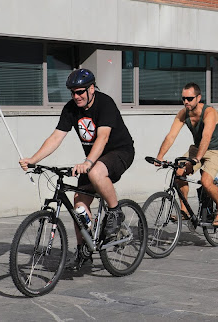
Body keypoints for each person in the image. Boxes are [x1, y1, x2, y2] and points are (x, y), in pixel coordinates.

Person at [19, 68, 135, 269]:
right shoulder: (71, 108)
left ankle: (115, 211)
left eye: (80, 91)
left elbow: (103, 137)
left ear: (91, 89)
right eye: (72, 92)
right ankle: (84, 249)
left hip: (120, 152)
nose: (76, 96)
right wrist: (34, 159)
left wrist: (88, 163)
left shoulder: (105, 103)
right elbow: (56, 137)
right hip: (93, 159)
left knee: (96, 171)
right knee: (79, 204)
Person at [156, 82, 218, 226]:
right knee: (178, 172)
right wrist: (160, 157)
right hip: (197, 148)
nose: (186, 102)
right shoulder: (183, 113)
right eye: (183, 99)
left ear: (198, 98)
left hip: (216, 149)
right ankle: (185, 211)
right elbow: (171, 136)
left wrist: (197, 159)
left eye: (189, 98)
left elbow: (206, 136)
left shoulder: (209, 112)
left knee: (206, 182)